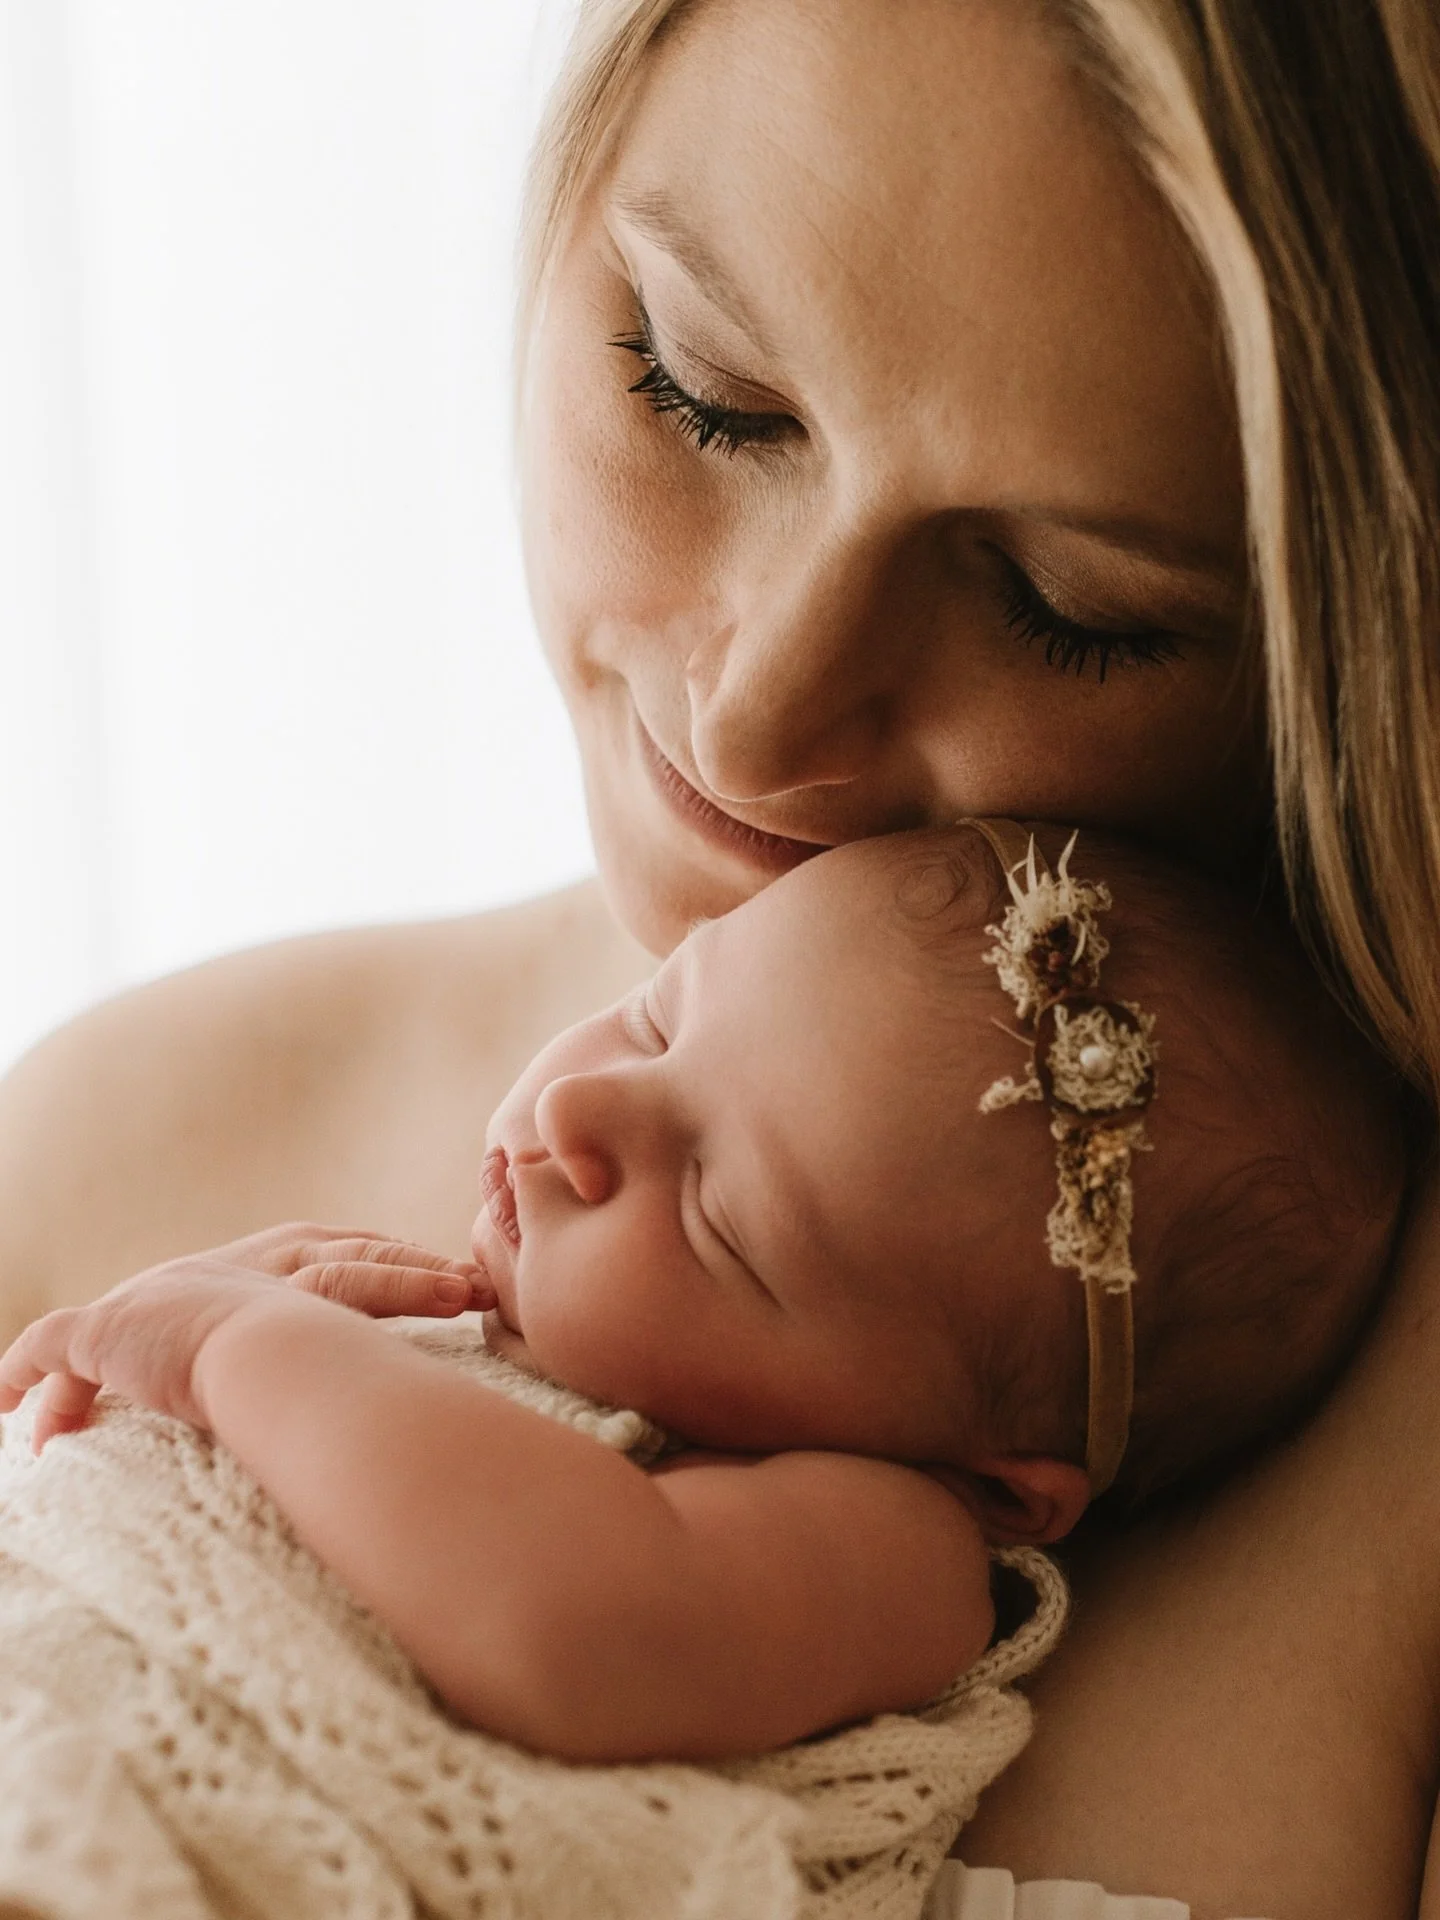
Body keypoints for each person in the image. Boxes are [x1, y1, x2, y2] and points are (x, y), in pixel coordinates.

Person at [0, 1, 1434, 1913]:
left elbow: (576, 1621)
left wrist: (251, 1356)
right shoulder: (123, 1120)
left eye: (1068, 607)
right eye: (701, 389)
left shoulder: (1334, 1402)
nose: (754, 721)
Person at [0, 824, 1401, 1767]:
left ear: (995, 1486)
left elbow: (575, 1629)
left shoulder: (891, 1545)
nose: (588, 1100)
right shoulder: (439, 1301)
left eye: (727, 1217)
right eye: (660, 1013)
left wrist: (241, 1346)